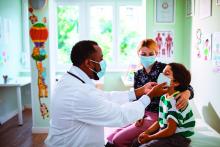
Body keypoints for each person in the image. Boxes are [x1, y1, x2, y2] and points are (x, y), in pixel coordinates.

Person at [44, 40, 168, 147]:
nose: (103, 62)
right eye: (101, 59)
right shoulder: (78, 92)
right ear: (88, 63)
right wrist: (149, 95)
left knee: (118, 138)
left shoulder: (72, 81)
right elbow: (121, 116)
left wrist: (139, 92)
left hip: (156, 115)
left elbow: (105, 97)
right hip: (72, 143)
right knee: (115, 137)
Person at [105, 39, 194, 147]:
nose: (147, 57)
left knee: (118, 139)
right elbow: (136, 97)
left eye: (151, 54)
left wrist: (187, 93)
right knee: (112, 136)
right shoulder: (138, 73)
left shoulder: (164, 69)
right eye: (143, 54)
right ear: (138, 54)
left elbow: (185, 84)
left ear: (156, 53)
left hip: (158, 115)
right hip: (142, 112)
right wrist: (138, 115)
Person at [131, 63, 195, 147]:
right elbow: (160, 121)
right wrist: (146, 132)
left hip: (178, 137)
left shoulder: (176, 101)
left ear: (175, 83)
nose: (161, 75)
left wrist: (150, 137)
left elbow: (170, 130)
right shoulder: (164, 97)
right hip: (166, 129)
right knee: (136, 142)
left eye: (166, 74)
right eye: (162, 72)